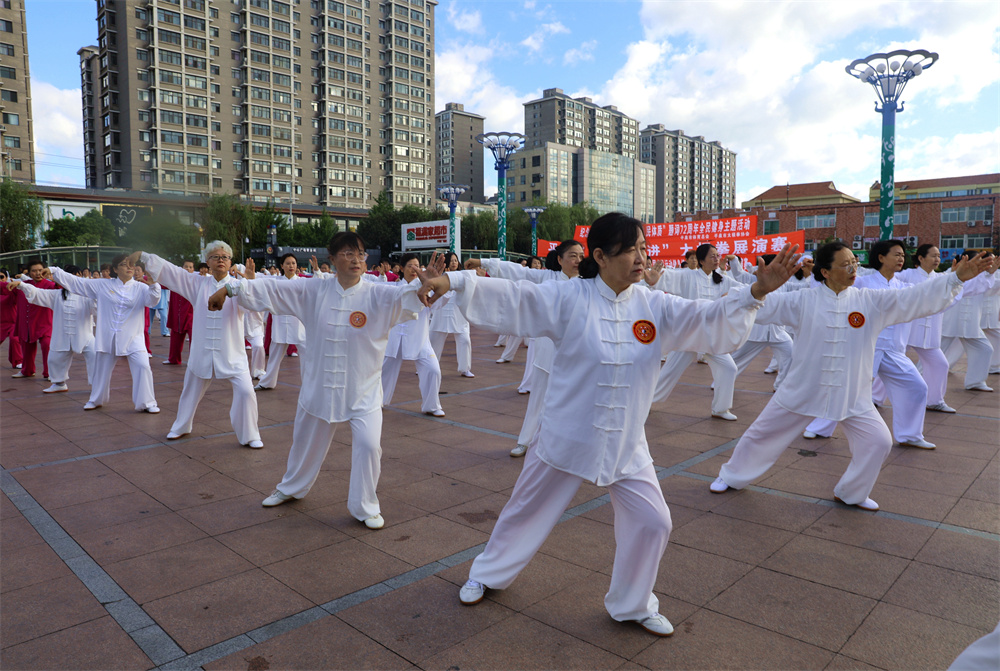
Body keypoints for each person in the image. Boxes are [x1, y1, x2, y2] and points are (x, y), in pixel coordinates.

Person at [417, 213, 800, 636]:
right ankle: (487, 574)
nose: (642, 257)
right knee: (526, 511)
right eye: (631, 249)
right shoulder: (569, 298)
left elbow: (707, 320)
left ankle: (632, 604)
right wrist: (453, 282)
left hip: (626, 441)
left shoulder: (654, 305)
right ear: (599, 256)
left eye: (643, 247)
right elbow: (515, 297)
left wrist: (757, 292)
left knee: (655, 522)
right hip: (565, 434)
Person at [709, 242, 993, 511]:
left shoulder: (869, 301)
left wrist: (955, 280)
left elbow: (914, 298)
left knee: (878, 441)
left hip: (852, 391)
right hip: (802, 388)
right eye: (845, 264)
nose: (853, 268)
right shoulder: (802, 300)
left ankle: (851, 493)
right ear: (825, 272)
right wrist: (754, 291)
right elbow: (759, 307)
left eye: (855, 262)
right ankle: (731, 476)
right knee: (762, 434)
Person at [207, 232, 427, 529]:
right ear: (332, 258)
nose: (356, 259)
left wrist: (429, 286)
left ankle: (365, 506)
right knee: (304, 443)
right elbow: (271, 289)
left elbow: (408, 297)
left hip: (363, 390)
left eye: (360, 254)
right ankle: (291, 487)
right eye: (348, 254)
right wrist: (230, 289)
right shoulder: (313, 291)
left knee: (369, 445)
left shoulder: (377, 294)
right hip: (319, 387)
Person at [802, 240, 940, 448]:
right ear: (881, 257)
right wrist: (816, 273)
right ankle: (818, 427)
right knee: (845, 387)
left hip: (893, 350)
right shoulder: (863, 282)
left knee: (916, 386)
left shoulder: (904, 286)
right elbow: (831, 289)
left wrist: (957, 279)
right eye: (896, 254)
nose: (901, 259)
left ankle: (910, 435)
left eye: (903, 255)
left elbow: (927, 296)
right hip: (864, 347)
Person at [135, 244, 263, 448]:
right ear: (208, 262)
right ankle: (181, 426)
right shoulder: (197, 283)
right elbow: (172, 272)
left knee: (247, 392)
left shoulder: (239, 286)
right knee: (190, 391)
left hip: (232, 352)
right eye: (215, 256)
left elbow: (254, 304)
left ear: (230, 262)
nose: (221, 260)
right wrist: (145, 256)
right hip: (202, 350)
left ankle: (250, 434)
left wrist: (250, 281)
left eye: (225, 257)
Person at [466, 239, 585, 457]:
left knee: (574, 401)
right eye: (573, 255)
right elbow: (517, 272)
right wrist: (482, 261)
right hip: (547, 349)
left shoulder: (589, 283)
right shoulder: (546, 277)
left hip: (575, 352)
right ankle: (525, 441)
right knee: (538, 397)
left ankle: (568, 446)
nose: (578, 260)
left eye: (580, 256)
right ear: (560, 259)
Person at [50, 254, 162, 413]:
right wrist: (54, 271)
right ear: (115, 269)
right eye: (124, 264)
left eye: (131, 264)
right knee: (101, 369)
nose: (129, 267)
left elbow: (152, 301)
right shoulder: (102, 285)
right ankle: (96, 400)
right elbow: (77, 283)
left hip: (133, 337)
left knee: (143, 366)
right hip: (108, 336)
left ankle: (147, 403)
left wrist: (153, 285)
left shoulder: (141, 287)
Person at [649, 244, 745, 420]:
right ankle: (645, 402)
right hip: (688, 334)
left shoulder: (723, 280)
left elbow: (745, 289)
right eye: (712, 256)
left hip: (710, 336)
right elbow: (666, 277)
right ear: (701, 261)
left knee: (729, 368)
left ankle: (721, 408)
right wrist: (652, 278)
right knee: (669, 372)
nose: (717, 259)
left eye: (717, 255)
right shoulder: (688, 276)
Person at [9, 265, 97, 394]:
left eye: (77, 277)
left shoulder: (87, 296)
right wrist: (21, 285)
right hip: (62, 336)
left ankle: (97, 384)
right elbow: (38, 293)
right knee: (55, 358)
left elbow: (97, 308)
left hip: (85, 336)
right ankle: (59, 383)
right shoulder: (57, 295)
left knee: (95, 356)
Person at [381, 253, 445, 416]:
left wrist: (437, 285)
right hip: (394, 339)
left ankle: (432, 405)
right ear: (401, 269)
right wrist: (421, 282)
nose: (415, 269)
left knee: (433, 370)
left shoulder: (427, 288)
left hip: (419, 338)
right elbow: (402, 294)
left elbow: (437, 305)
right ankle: (378, 402)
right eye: (410, 266)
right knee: (383, 371)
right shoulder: (394, 287)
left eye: (418, 266)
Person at [897, 244, 955, 412]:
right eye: (933, 256)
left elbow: (957, 291)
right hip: (907, 329)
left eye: (938, 256)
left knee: (940, 364)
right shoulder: (908, 275)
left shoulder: (941, 278)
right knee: (891, 361)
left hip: (929, 332)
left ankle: (934, 400)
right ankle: (875, 398)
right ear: (921, 258)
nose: (937, 259)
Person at [255, 253, 307, 391]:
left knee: (307, 357)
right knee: (274, 356)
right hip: (280, 323)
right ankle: (267, 382)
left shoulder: (302, 282)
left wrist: (318, 271)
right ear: (282, 266)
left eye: (294, 263)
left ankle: (309, 385)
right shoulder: (276, 281)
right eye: (288, 263)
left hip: (299, 324)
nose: (291, 266)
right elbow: (259, 280)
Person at [429, 252, 475, 379]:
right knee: (434, 341)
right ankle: (429, 365)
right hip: (441, 313)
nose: (454, 262)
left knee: (465, 340)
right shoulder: (440, 276)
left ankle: (465, 369)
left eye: (456, 260)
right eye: (452, 260)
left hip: (459, 313)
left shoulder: (463, 276)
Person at [10, 259, 56, 380]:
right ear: (29, 273)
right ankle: (27, 370)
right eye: (34, 271)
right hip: (27, 323)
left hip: (45, 323)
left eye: (40, 270)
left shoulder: (50, 285)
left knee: (47, 345)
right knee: (26, 346)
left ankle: (49, 373)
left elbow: (63, 287)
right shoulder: (21, 285)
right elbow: (7, 288)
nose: (37, 273)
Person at [163, 261, 195, 365]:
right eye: (186, 266)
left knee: (194, 339)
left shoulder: (196, 281)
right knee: (175, 337)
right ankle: (173, 359)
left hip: (191, 316)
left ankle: (194, 361)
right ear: (182, 268)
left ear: (193, 270)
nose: (188, 269)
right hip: (177, 314)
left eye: (190, 267)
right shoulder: (175, 281)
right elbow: (162, 283)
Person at [0, 269, 24, 370]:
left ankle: (18, 361)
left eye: (1, 277)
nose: (0, 279)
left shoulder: (11, 290)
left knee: (15, 339)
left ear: (6, 278)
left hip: (13, 322)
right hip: (1, 324)